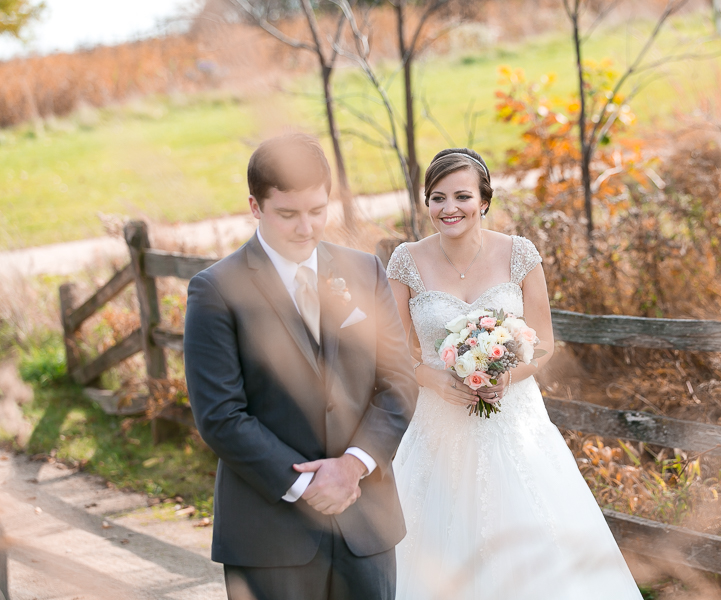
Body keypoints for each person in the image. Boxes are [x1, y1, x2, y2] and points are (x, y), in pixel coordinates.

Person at [386, 148, 643, 599]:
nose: (449, 209)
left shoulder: (519, 254)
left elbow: (543, 341)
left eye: (462, 196)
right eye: (437, 198)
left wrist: (510, 373)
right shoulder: (406, 262)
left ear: (484, 200)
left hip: (514, 420)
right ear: (426, 203)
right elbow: (387, 348)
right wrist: (430, 378)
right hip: (438, 427)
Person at [184, 133, 418, 600]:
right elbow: (220, 416)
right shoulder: (215, 291)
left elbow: (399, 382)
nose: (306, 228)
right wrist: (307, 484)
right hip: (270, 533)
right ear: (255, 206)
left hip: (365, 522)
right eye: (287, 214)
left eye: (317, 210)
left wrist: (352, 467)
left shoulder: (365, 271)